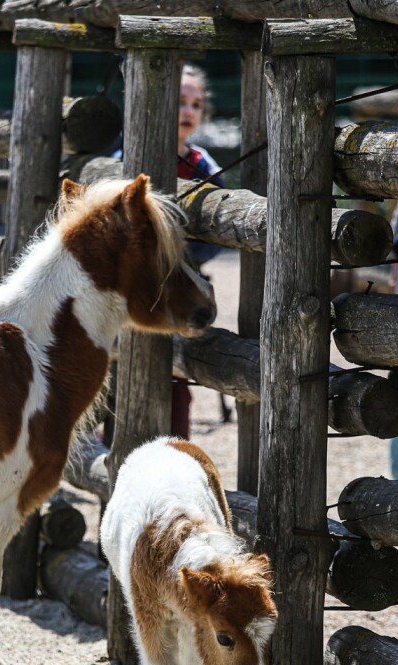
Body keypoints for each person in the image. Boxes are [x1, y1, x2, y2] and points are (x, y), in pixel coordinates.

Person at [170, 63, 227, 438]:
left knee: (177, 377)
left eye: (196, 103)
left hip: (182, 289)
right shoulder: (127, 152)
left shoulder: (203, 165)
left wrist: (188, 257)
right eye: (180, 101)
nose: (189, 110)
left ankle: (178, 448)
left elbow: (218, 230)